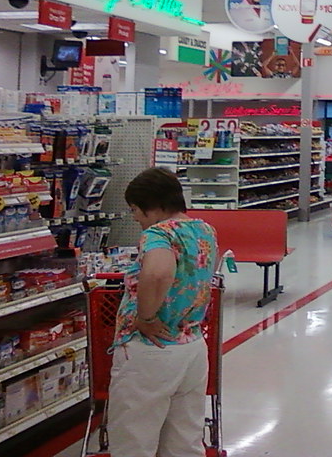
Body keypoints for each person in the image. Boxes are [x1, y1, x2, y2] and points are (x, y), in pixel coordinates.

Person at [108, 167, 218, 457]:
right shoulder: (204, 230)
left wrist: (145, 318)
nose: (135, 218)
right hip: (192, 345)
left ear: (153, 206)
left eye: (135, 210)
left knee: (134, 437)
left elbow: (158, 273)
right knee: (184, 437)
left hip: (151, 349)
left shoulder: (159, 234)